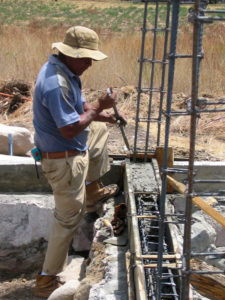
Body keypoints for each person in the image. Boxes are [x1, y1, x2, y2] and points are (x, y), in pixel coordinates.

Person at [33, 25, 123, 298]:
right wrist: (99, 107)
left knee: (98, 129)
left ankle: (92, 187)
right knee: (67, 219)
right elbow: (69, 129)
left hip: (70, 151)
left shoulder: (68, 72)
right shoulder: (55, 83)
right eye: (85, 58)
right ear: (69, 54)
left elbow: (81, 108)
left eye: (91, 58)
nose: (90, 63)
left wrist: (102, 115)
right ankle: (46, 280)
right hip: (63, 161)